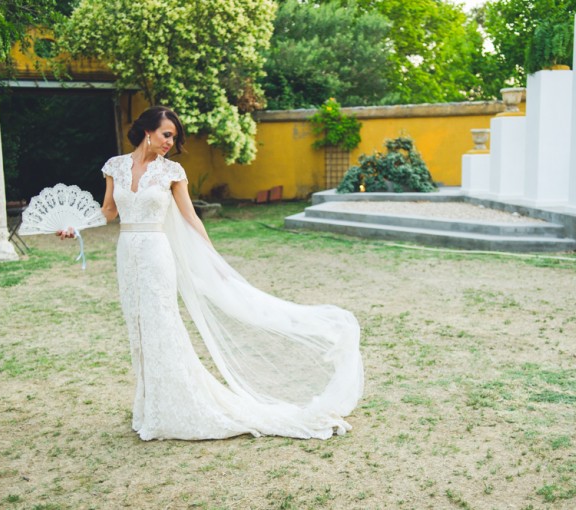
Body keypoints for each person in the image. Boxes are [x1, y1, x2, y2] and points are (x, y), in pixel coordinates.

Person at [60, 106, 363, 440]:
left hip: (156, 256)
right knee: (139, 332)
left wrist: (213, 260)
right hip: (126, 254)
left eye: (173, 137)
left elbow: (191, 218)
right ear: (147, 130)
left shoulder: (172, 172)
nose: (170, 143)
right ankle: (150, 406)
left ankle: (178, 406)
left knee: (162, 327)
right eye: (166, 134)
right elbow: (107, 211)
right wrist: (76, 228)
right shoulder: (115, 167)